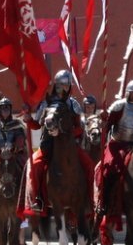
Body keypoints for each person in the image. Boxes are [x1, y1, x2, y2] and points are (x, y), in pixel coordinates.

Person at [24, 70, 91, 212]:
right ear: (56, 85)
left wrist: (65, 133)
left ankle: (90, 199)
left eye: (66, 85)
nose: (63, 88)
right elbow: (37, 125)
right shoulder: (46, 103)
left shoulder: (73, 104)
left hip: (68, 145)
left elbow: (79, 128)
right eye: (61, 85)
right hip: (48, 144)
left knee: (89, 166)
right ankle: (37, 199)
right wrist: (29, 120)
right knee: (34, 165)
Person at [97, 78, 133, 217]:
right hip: (116, 145)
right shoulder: (118, 106)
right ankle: (103, 201)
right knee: (110, 167)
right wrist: (103, 120)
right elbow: (106, 126)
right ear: (128, 93)